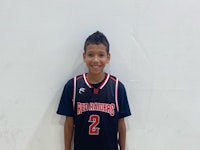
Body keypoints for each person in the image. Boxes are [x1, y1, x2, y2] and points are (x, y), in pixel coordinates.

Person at [57, 31, 131, 150]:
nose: (96, 60)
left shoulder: (117, 87)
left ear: (108, 57)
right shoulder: (73, 86)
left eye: (101, 55)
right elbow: (69, 124)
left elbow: (121, 124)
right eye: (91, 55)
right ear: (84, 56)